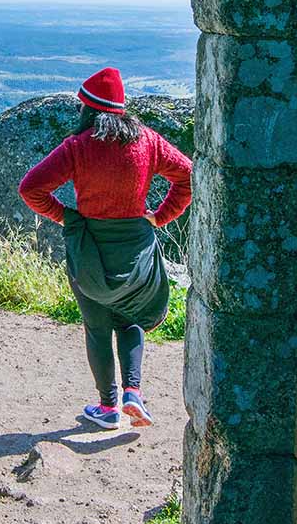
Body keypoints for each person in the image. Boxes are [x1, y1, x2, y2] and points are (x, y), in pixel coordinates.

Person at [17, 67, 192, 430]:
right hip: (137, 250)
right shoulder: (148, 141)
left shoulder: (78, 148)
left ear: (88, 109)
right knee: (130, 319)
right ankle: (133, 393)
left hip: (91, 248)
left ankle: (108, 407)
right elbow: (188, 176)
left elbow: (30, 188)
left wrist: (66, 217)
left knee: (97, 327)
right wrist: (160, 217)